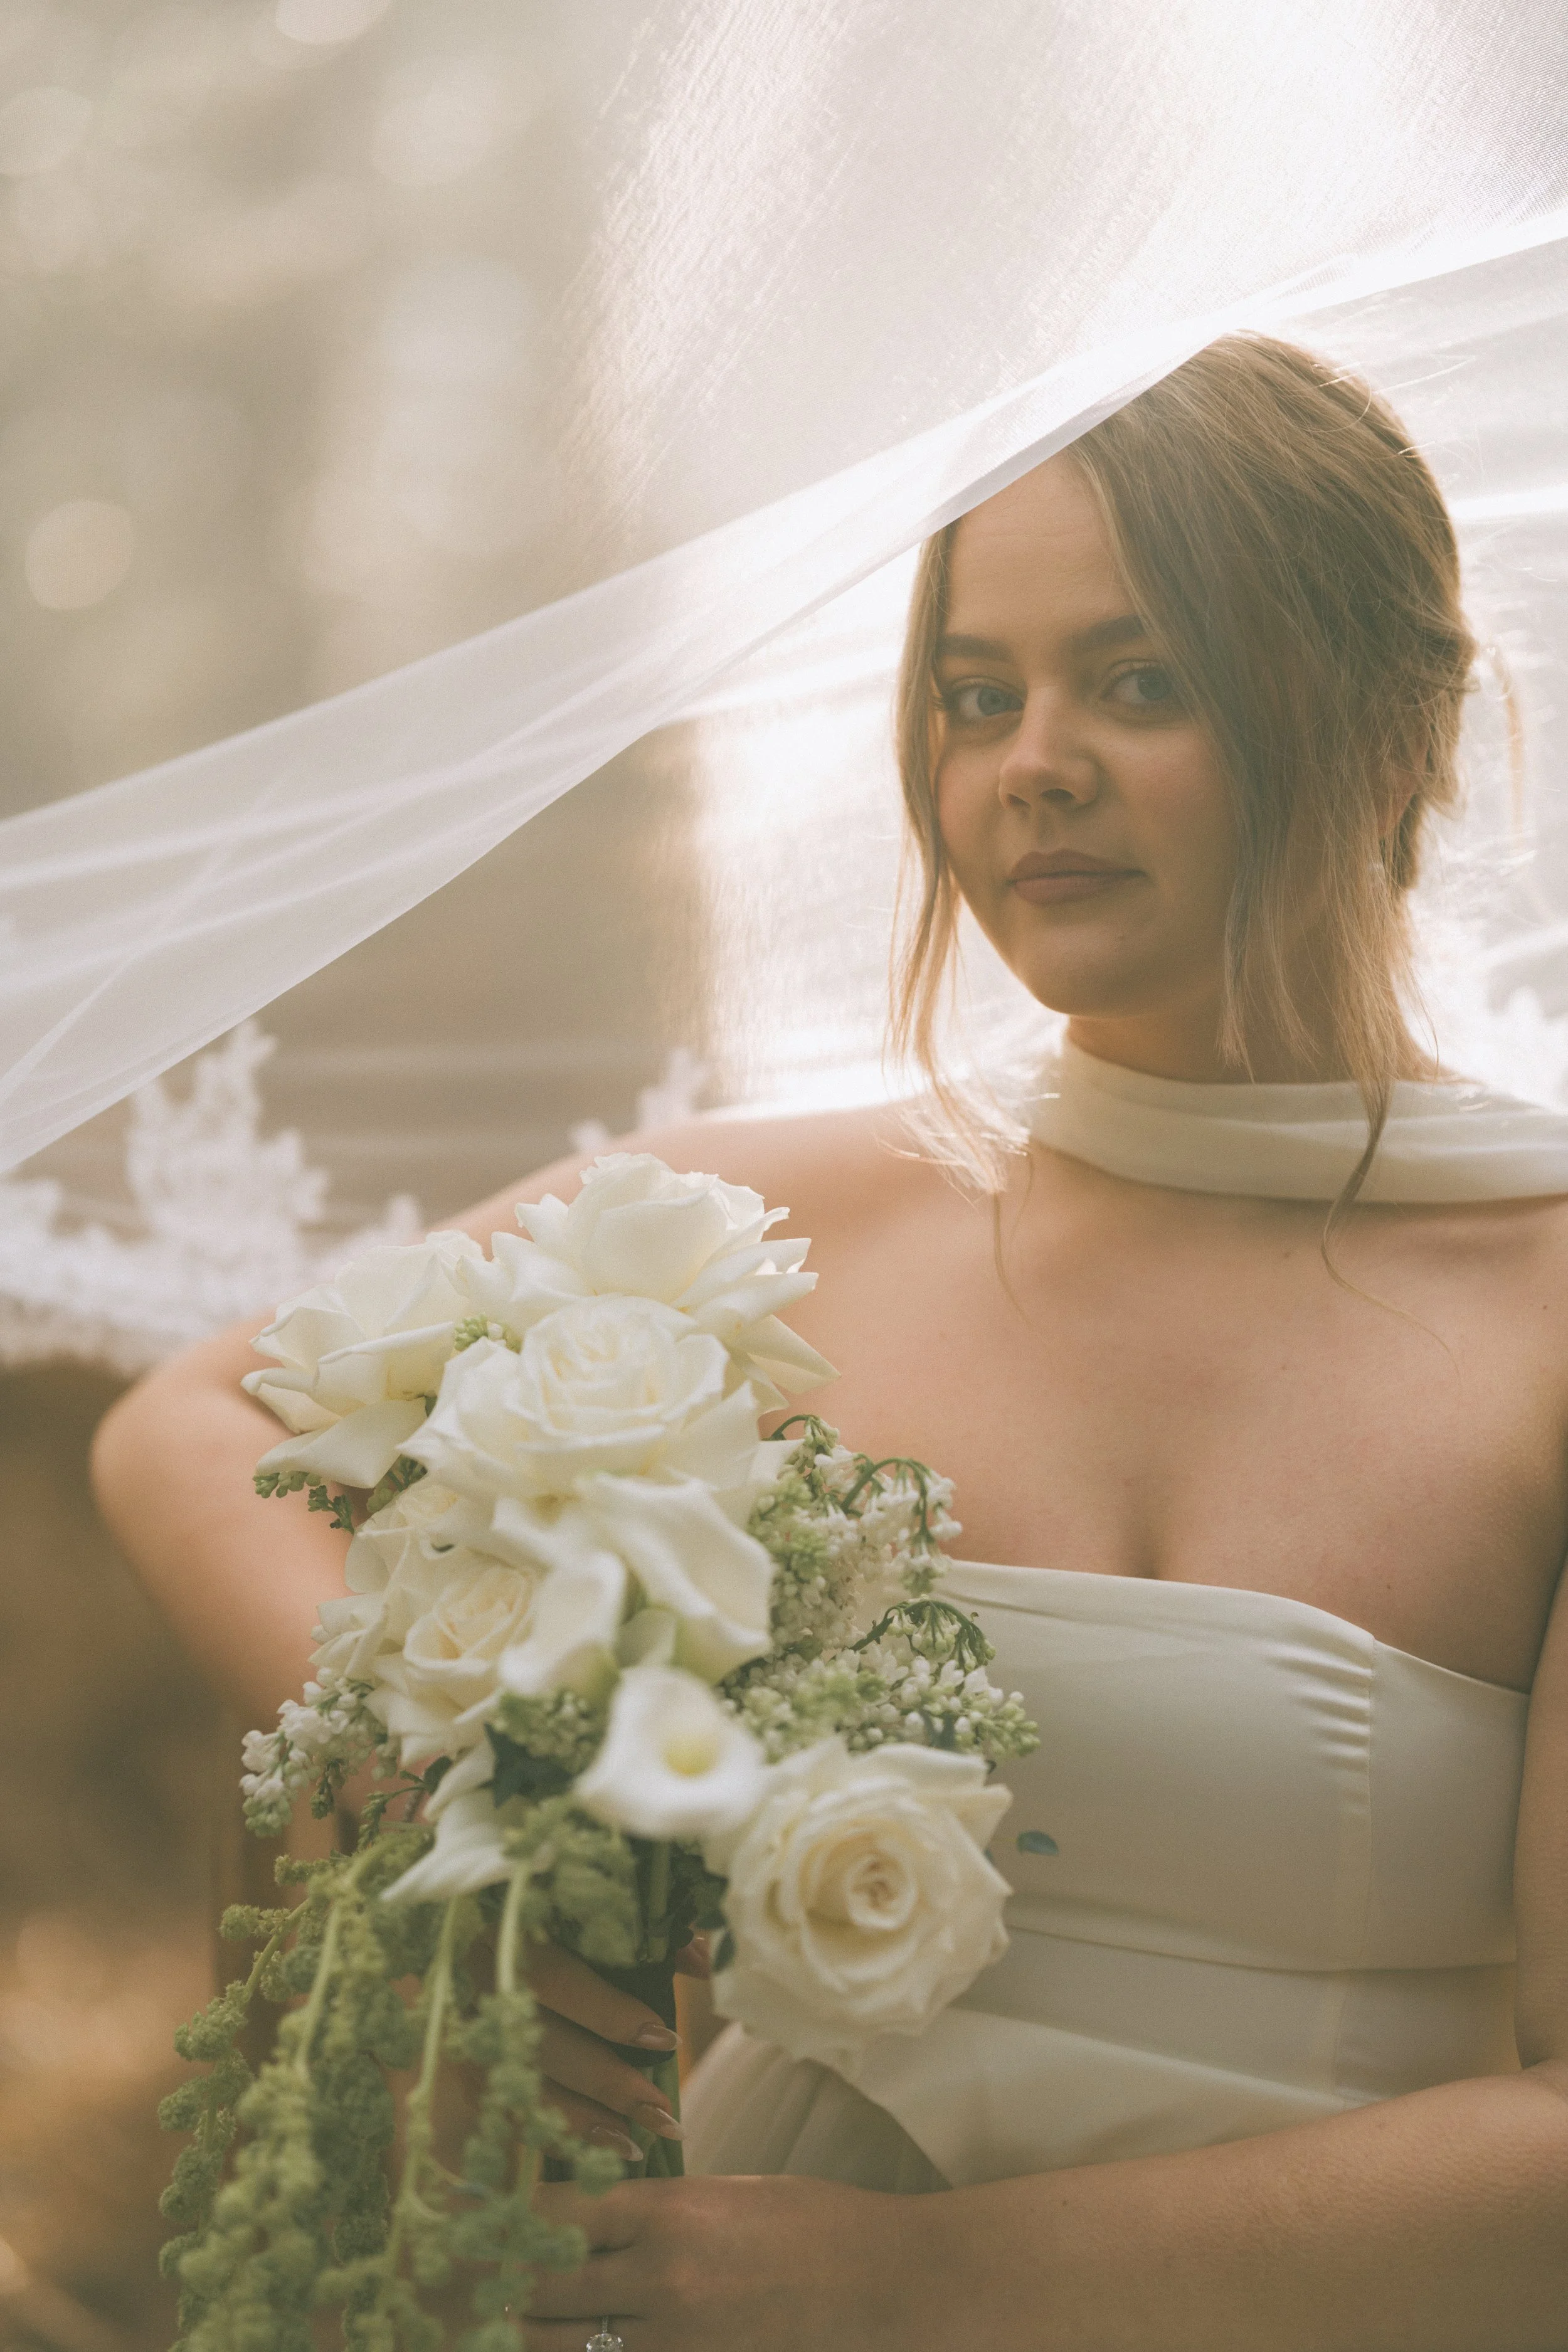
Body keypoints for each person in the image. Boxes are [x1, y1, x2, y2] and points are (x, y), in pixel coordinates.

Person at [93, 334, 1568, 2349]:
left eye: (1137, 681)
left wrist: (924, 2283)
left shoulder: (1545, 1310)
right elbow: (192, 1427)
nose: (1027, 759)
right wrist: (449, 1807)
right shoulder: (768, 1230)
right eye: (978, 695)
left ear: (1397, 721)